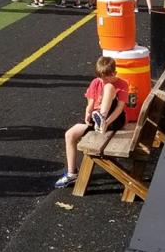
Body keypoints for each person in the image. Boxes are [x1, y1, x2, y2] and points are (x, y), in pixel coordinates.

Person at [54, 56, 129, 188]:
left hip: (114, 119)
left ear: (115, 73)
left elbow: (119, 108)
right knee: (70, 134)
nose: (103, 81)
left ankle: (101, 117)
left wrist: (106, 120)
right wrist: (88, 114)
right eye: (101, 78)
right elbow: (91, 103)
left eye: (107, 78)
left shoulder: (121, 84)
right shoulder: (96, 82)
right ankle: (72, 173)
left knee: (110, 88)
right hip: (97, 121)